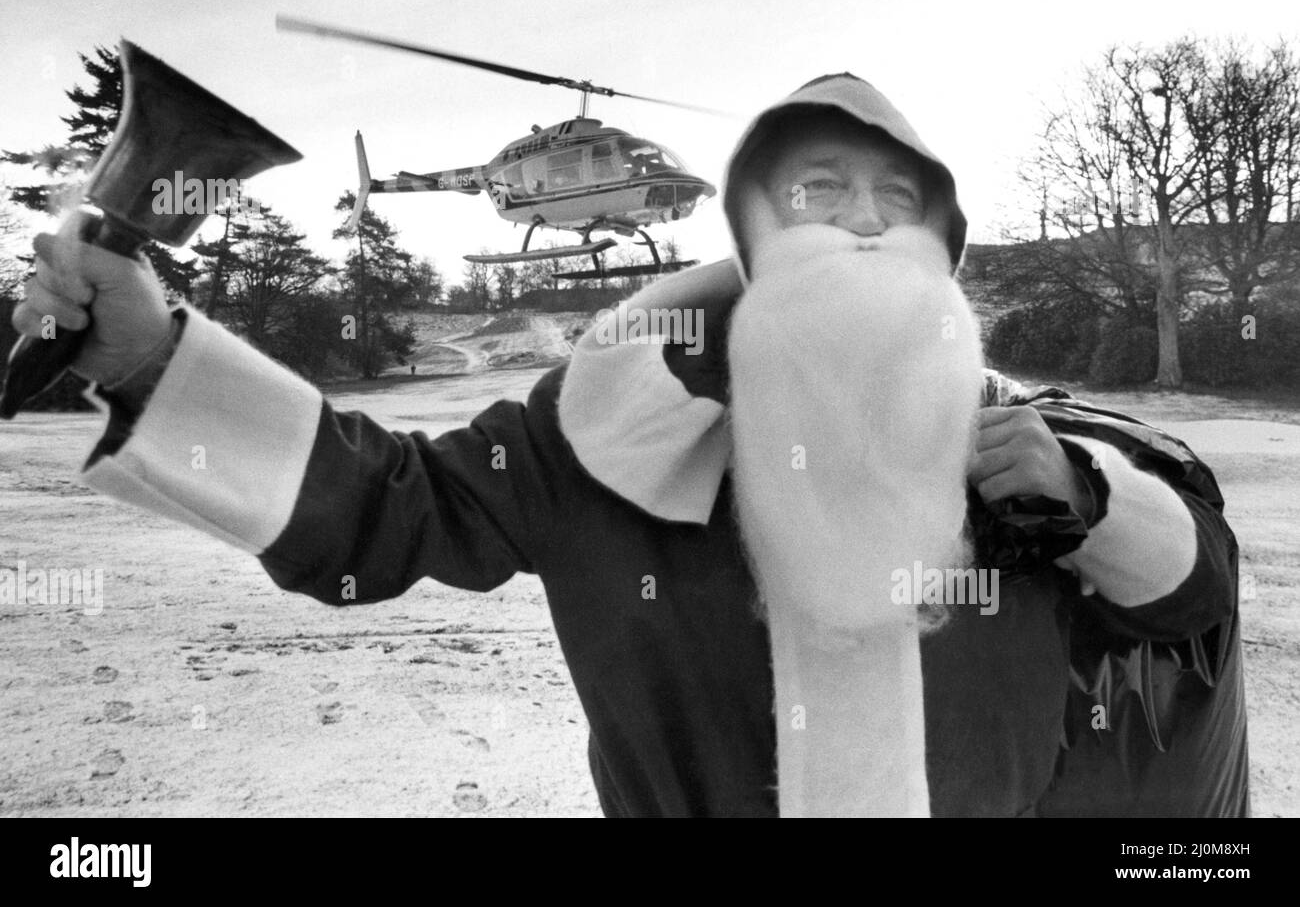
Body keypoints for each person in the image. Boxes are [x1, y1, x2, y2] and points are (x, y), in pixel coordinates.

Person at [14, 73, 1249, 817]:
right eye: (819, 188)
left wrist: (1089, 498)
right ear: (754, 229)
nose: (865, 220)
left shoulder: (1012, 437)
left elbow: (1194, 595)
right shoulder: (602, 432)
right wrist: (152, 355)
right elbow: (383, 511)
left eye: (899, 198)